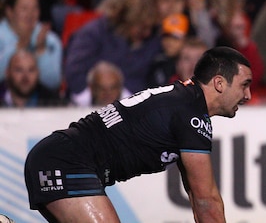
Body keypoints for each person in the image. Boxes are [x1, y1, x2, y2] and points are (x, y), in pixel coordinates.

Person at [24, 46, 252, 222]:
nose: (248, 95)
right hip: (66, 163)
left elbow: (196, 195)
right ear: (220, 83)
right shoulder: (191, 115)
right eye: (244, 85)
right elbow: (206, 200)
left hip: (57, 157)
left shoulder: (184, 101)